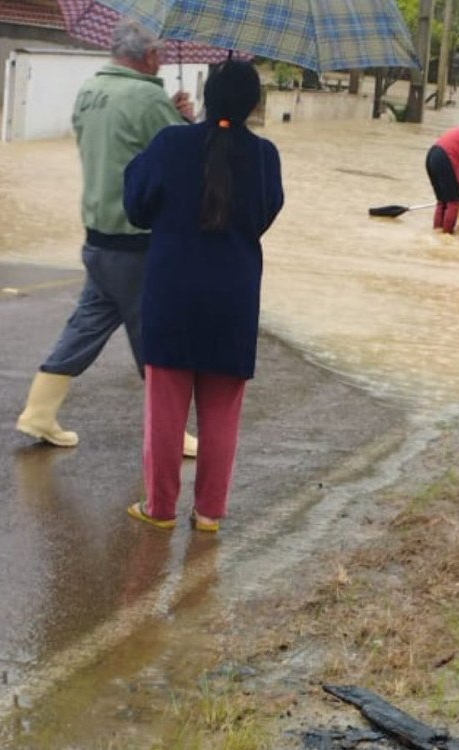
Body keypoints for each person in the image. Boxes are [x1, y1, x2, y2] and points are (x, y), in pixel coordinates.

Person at [15, 20, 199, 457]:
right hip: (138, 240)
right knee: (156, 337)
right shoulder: (147, 96)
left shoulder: (90, 91)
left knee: (86, 324)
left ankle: (38, 412)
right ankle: (170, 432)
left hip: (98, 235)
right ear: (149, 57)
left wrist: (169, 116)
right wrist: (186, 119)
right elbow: (185, 159)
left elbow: (127, 145)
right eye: (157, 54)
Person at [122, 60, 284, 532]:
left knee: (165, 410)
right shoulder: (266, 156)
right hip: (233, 297)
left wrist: (176, 128)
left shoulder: (173, 142)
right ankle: (210, 512)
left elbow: (135, 205)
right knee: (222, 413)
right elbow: (263, 215)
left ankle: (161, 509)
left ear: (206, 97)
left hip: (172, 292)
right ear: (254, 105)